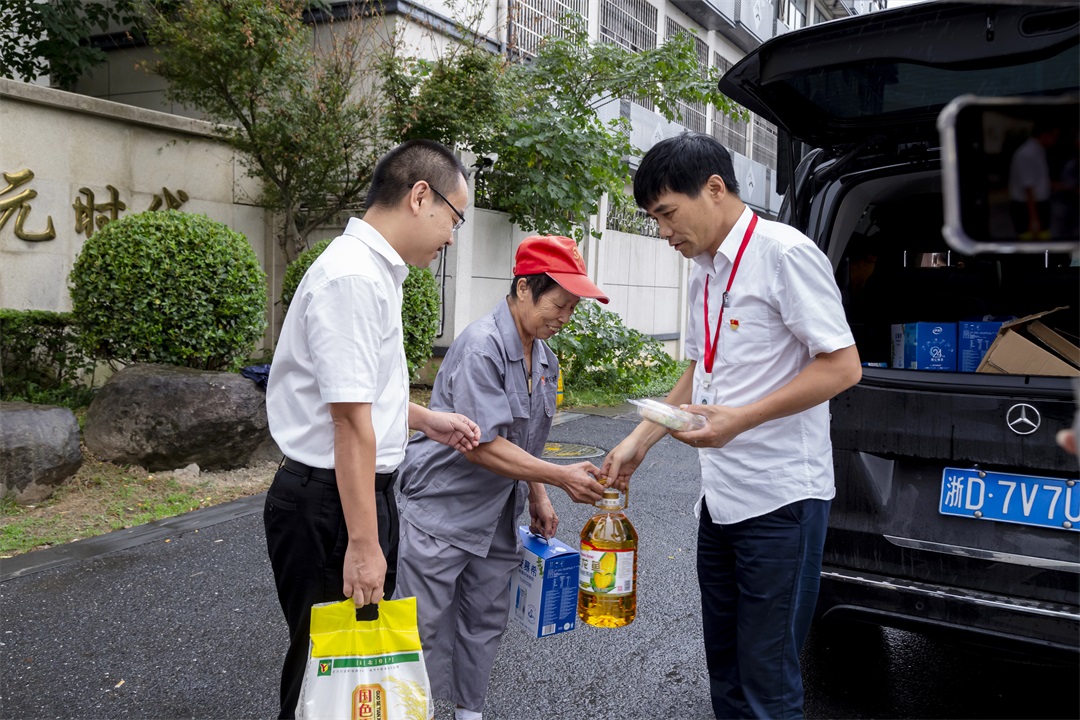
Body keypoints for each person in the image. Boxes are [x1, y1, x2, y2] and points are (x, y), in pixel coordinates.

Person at [602, 133, 862, 719]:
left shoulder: (784, 254)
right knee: (726, 665)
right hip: (719, 502)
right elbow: (702, 369)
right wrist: (641, 438)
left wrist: (740, 420)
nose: (663, 232)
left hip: (780, 501)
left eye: (667, 213)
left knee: (768, 678)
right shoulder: (702, 269)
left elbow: (843, 367)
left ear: (714, 189)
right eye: (654, 219)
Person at [263, 139, 483, 720]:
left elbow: (361, 397)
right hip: (333, 501)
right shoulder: (353, 277)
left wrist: (424, 419)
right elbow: (348, 421)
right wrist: (363, 544)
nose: (452, 236)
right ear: (419, 197)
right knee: (324, 665)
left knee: (344, 663)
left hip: (348, 494)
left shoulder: (375, 272)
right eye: (455, 217)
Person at [395, 235, 610, 720]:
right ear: (522, 288)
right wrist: (557, 477)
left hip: (498, 515)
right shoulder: (481, 347)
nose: (565, 317)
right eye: (559, 304)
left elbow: (528, 438)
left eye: (573, 309)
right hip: (443, 508)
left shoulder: (546, 359)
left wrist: (538, 494)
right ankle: (412, 712)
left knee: (485, 618)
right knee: (421, 626)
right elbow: (484, 447)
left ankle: (469, 711)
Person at [1008, 121, 1059, 240]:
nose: (1055, 140)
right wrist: (1034, 219)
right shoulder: (1027, 153)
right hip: (1028, 207)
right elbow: (1028, 188)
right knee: (1029, 243)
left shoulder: (1039, 151)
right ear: (1045, 134)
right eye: (1054, 136)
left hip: (1039, 205)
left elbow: (1039, 180)